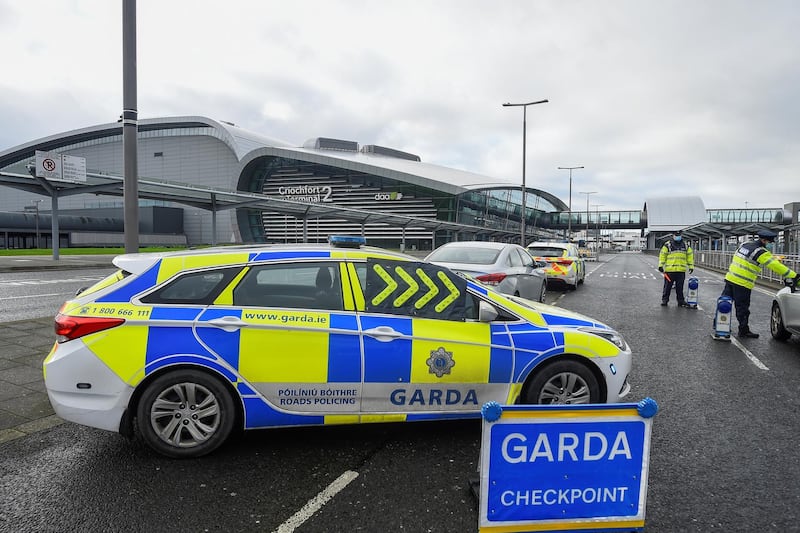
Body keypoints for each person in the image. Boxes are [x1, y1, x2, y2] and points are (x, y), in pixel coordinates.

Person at [721, 229, 797, 338]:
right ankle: (743, 330)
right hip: (743, 283)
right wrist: (793, 275)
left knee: (724, 303)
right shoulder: (761, 252)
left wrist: (772, 257)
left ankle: (719, 324)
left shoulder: (745, 244)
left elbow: (753, 258)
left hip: (730, 278)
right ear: (764, 240)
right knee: (742, 309)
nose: (770, 245)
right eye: (770, 243)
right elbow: (775, 266)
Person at [658, 230, 694, 307]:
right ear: (673, 235)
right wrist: (660, 265)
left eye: (679, 235)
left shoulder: (686, 245)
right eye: (676, 235)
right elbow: (662, 255)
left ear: (681, 235)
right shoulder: (668, 245)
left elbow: (690, 256)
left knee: (679, 288)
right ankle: (665, 300)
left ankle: (680, 301)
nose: (677, 236)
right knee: (667, 287)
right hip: (669, 271)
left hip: (681, 271)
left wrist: (691, 266)